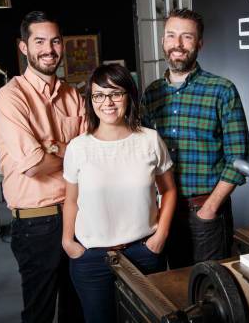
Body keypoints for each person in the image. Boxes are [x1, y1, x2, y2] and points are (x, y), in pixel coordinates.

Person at [62, 64, 177, 322]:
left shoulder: (150, 140)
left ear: (128, 96)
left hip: (144, 253)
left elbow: (168, 191)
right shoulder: (78, 148)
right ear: (91, 101)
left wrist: (161, 235)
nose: (108, 102)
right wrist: (68, 242)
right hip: (92, 258)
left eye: (116, 93)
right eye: (99, 95)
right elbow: (70, 200)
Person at [0, 11, 84, 323]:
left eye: (55, 41)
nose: (49, 49)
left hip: (80, 217)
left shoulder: (73, 96)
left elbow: (94, 155)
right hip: (36, 225)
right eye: (39, 41)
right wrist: (71, 152)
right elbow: (34, 167)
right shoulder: (10, 99)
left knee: (77, 307)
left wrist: (55, 149)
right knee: (40, 312)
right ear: (24, 47)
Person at [141, 8, 249, 268]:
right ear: (163, 41)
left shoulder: (222, 90)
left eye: (187, 37)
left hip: (206, 212)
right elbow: (144, 154)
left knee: (211, 293)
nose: (177, 44)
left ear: (199, 43)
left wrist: (209, 209)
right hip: (164, 213)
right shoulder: (152, 93)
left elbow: (238, 159)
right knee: (174, 287)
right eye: (171, 36)